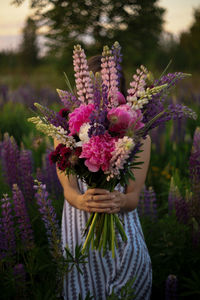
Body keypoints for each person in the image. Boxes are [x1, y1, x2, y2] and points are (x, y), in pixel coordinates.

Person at [54, 55, 152, 300]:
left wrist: (120, 201)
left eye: (109, 91)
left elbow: (133, 196)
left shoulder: (139, 133)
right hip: (78, 237)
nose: (102, 98)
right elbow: (68, 189)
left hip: (124, 239)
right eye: (94, 90)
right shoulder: (66, 131)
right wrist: (81, 201)